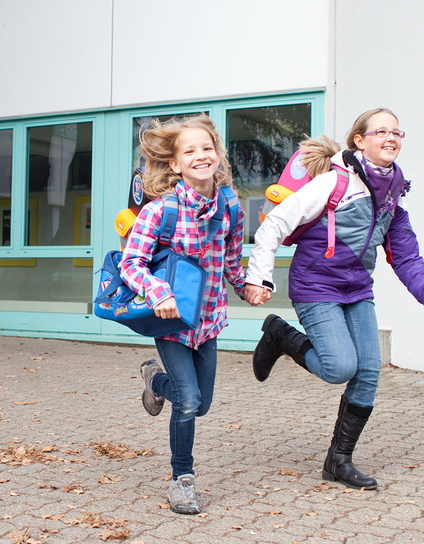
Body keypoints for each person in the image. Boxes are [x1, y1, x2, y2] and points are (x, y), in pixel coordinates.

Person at [244, 108, 424, 490]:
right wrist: (260, 278)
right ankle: (278, 336)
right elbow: (274, 223)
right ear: (360, 140)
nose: (391, 138)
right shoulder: (334, 183)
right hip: (315, 286)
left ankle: (338, 462)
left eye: (397, 132)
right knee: (339, 367)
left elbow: (404, 254)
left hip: (356, 289)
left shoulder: (392, 195)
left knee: (368, 370)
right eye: (381, 131)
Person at [120, 114, 248, 514]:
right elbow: (131, 263)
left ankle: (154, 382)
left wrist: (247, 286)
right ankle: (182, 479)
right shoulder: (162, 210)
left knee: (201, 403)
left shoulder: (230, 205)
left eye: (206, 148)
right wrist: (157, 292)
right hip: (172, 322)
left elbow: (231, 259)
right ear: (175, 164)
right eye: (189, 150)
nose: (200, 155)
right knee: (189, 402)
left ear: (217, 156)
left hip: (208, 320)